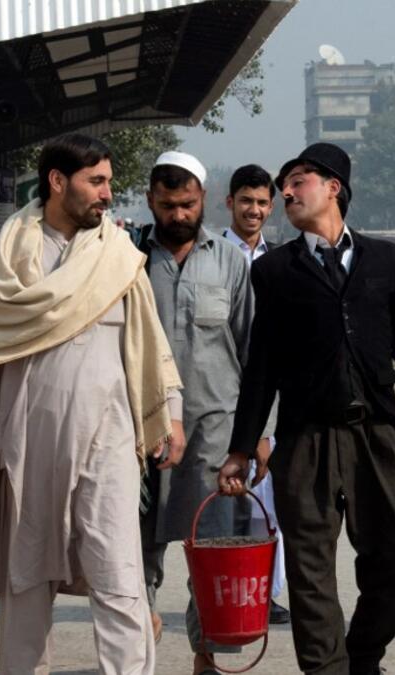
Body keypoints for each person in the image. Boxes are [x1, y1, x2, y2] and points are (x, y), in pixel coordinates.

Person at [219, 143, 395, 675]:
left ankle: (362, 656)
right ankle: (327, 670)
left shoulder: (385, 260)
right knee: (310, 570)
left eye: (299, 181)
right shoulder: (274, 273)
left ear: (333, 187)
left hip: (376, 435)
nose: (285, 193)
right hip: (305, 439)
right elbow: (261, 368)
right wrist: (243, 447)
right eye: (282, 186)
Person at [0, 132, 182, 675]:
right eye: (95, 182)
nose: (106, 194)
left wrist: (169, 412)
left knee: (120, 579)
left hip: (109, 440)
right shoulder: (2, 260)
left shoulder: (119, 256)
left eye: (108, 182)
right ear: (57, 182)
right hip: (28, 443)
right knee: (25, 583)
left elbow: (149, 343)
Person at [136, 152, 265, 674]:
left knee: (210, 545)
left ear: (204, 200)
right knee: (137, 540)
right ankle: (139, 627)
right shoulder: (127, 257)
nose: (178, 215)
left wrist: (258, 433)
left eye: (187, 204)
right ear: (150, 202)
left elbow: (254, 350)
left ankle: (205, 653)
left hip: (215, 425)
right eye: (167, 206)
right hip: (140, 425)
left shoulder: (230, 262)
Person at [220, 163, 290, 625]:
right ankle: (228, 589)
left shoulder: (278, 262)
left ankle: (267, 593)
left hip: (268, 398)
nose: (255, 210)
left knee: (268, 504)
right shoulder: (212, 257)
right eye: (247, 201)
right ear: (229, 203)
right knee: (227, 505)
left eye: (263, 203)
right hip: (220, 397)